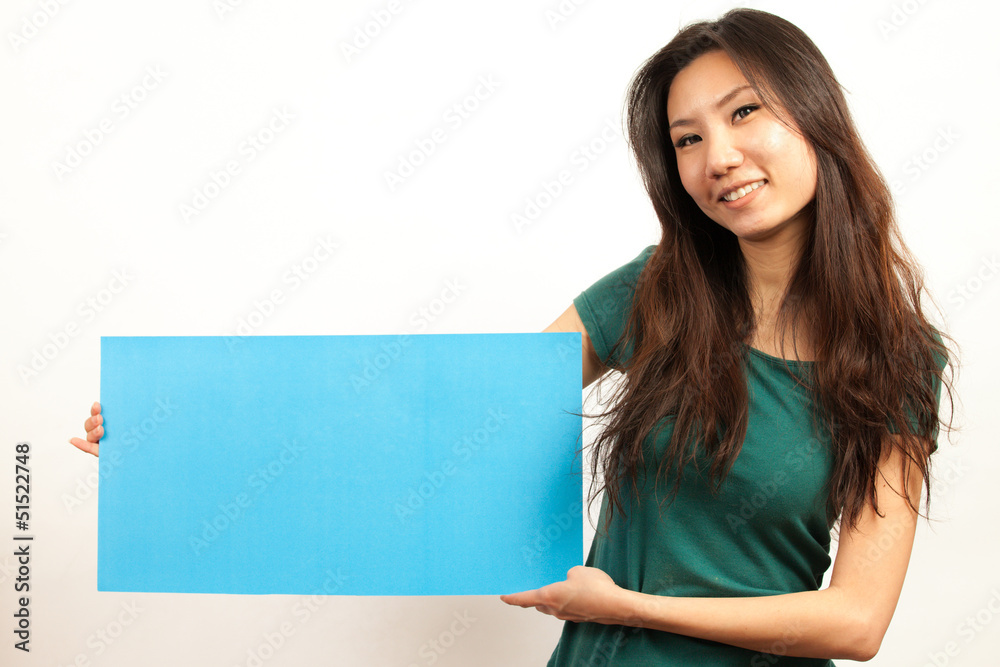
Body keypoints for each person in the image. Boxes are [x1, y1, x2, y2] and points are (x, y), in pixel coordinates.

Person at [72, 7, 955, 665]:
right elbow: (457, 419)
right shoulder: (657, 292)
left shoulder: (900, 360)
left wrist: (631, 606)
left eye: (744, 112)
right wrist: (185, 435)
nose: (717, 156)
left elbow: (855, 621)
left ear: (815, 115)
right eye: (687, 138)